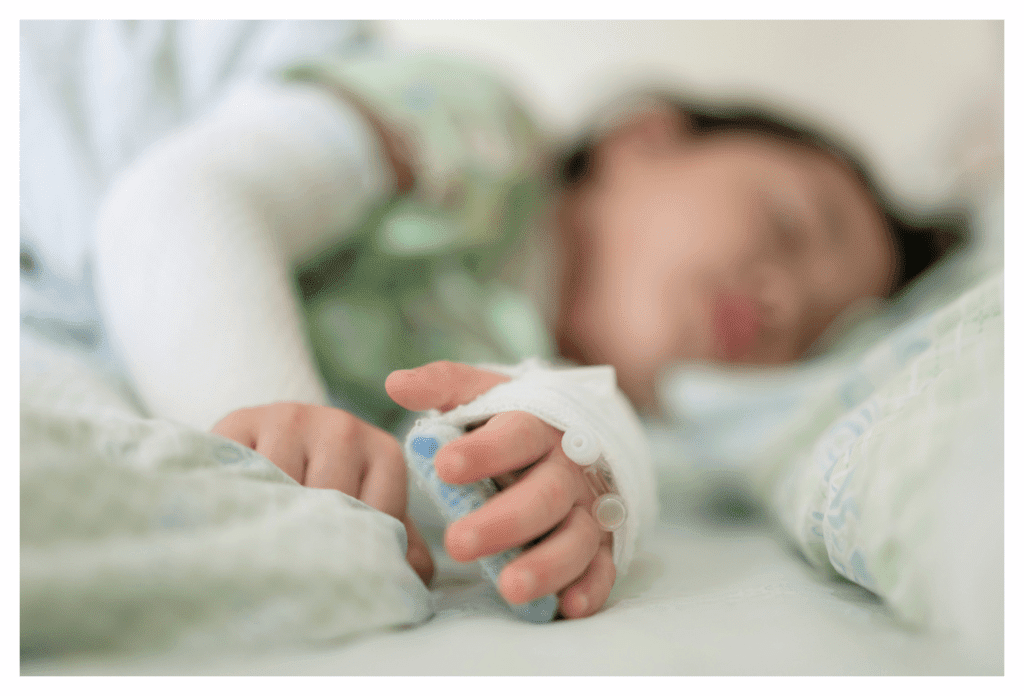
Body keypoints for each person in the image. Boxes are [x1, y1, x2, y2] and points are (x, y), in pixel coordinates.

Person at [93, 53, 964, 621]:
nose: (783, 299)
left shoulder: (640, 426)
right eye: (788, 226)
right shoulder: (480, 143)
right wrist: (268, 422)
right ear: (643, 139)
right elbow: (176, 202)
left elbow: (578, 447)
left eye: (814, 328)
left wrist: (585, 473)